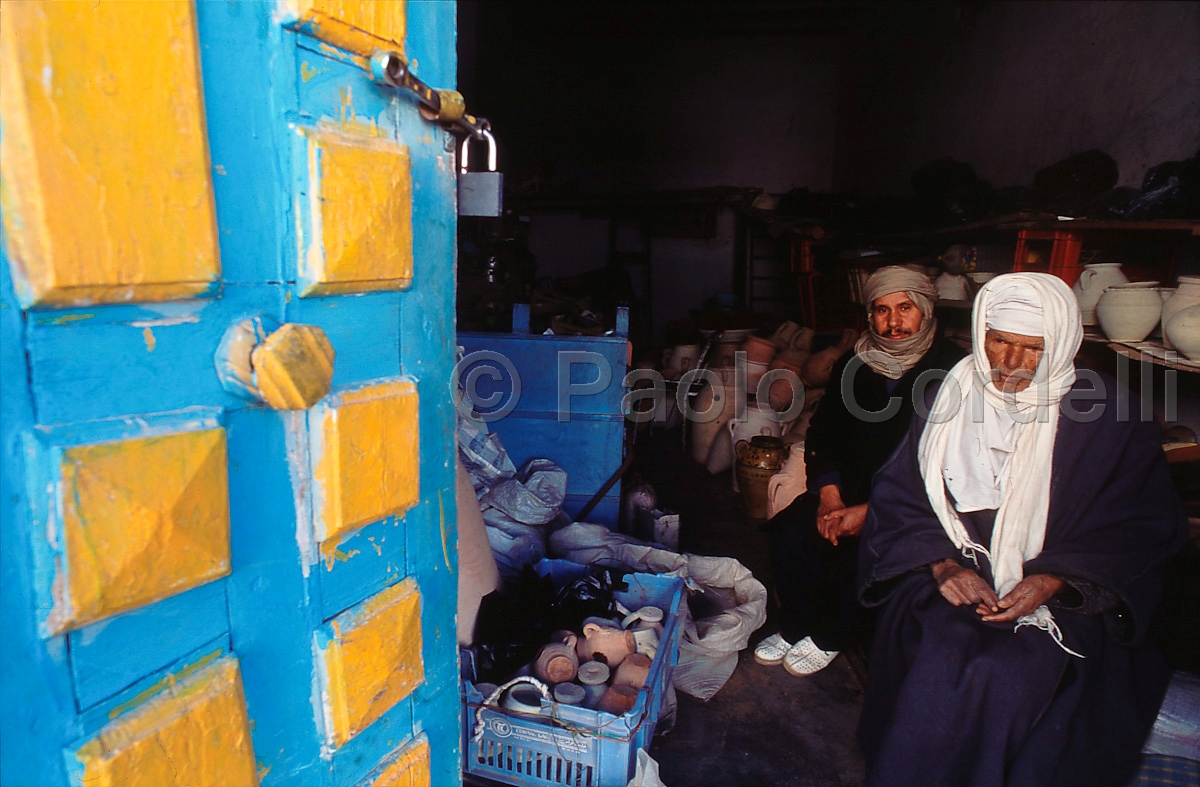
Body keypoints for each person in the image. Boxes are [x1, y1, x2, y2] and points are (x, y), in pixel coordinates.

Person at [857, 273, 1187, 787]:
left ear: (1060, 345)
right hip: (957, 568)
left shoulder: (1113, 416)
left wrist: (1052, 580)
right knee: (940, 656)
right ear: (980, 330)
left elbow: (1141, 527)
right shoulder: (948, 396)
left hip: (1070, 591)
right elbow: (901, 494)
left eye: (1032, 349)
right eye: (999, 341)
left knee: (1010, 674)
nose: (1009, 364)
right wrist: (942, 565)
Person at [755, 266, 965, 676]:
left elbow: (953, 464)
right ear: (870, 316)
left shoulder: (956, 369)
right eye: (882, 311)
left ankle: (833, 634)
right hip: (845, 488)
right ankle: (796, 623)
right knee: (791, 533)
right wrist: (829, 496)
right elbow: (824, 431)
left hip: (913, 503)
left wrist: (872, 511)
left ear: (924, 308)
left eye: (905, 308)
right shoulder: (856, 361)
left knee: (867, 551)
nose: (894, 322)